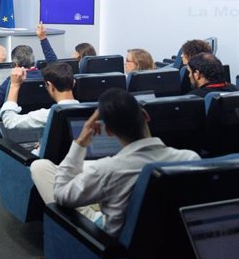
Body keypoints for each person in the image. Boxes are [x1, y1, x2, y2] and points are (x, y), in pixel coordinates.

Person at [30, 88, 200, 236]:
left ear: (109, 131)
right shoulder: (190, 159)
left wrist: (80, 142)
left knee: (40, 166)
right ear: (145, 115)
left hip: (109, 243)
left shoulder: (107, 169)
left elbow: (60, 195)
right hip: (167, 241)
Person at [0, 62, 78, 130]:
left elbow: (10, 121)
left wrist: (14, 85)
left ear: (50, 86)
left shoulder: (49, 115)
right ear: (74, 83)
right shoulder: (88, 111)